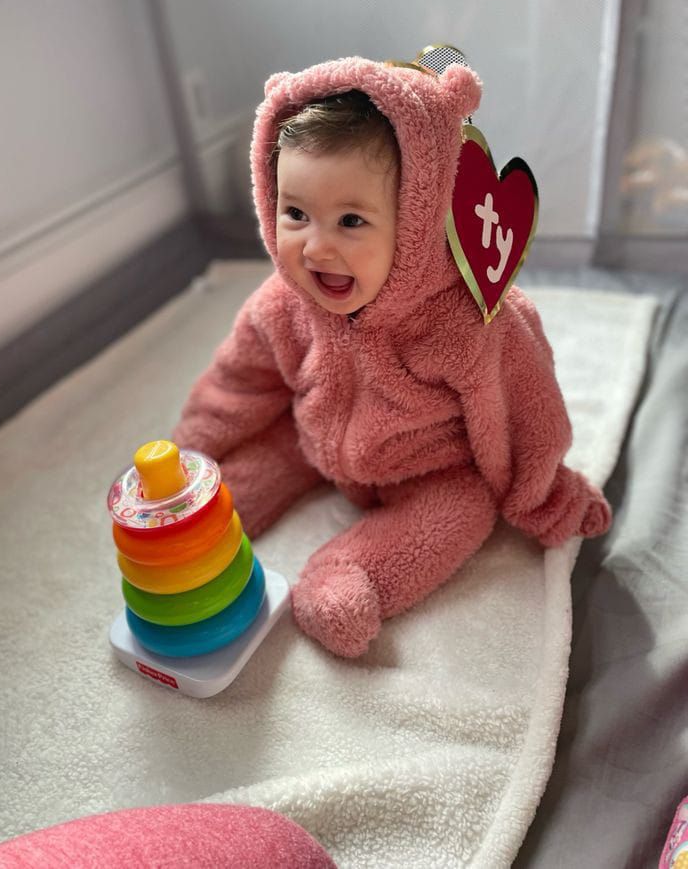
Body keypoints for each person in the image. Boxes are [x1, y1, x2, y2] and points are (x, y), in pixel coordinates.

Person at [172, 55, 611, 658]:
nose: (317, 247)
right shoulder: (283, 303)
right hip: (315, 442)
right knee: (242, 472)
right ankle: (197, 517)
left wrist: (545, 491)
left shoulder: (468, 322)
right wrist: (195, 448)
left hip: (428, 467)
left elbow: (524, 409)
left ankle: (351, 574)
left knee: (459, 515)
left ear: (420, 221)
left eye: (352, 220)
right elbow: (240, 382)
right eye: (296, 214)